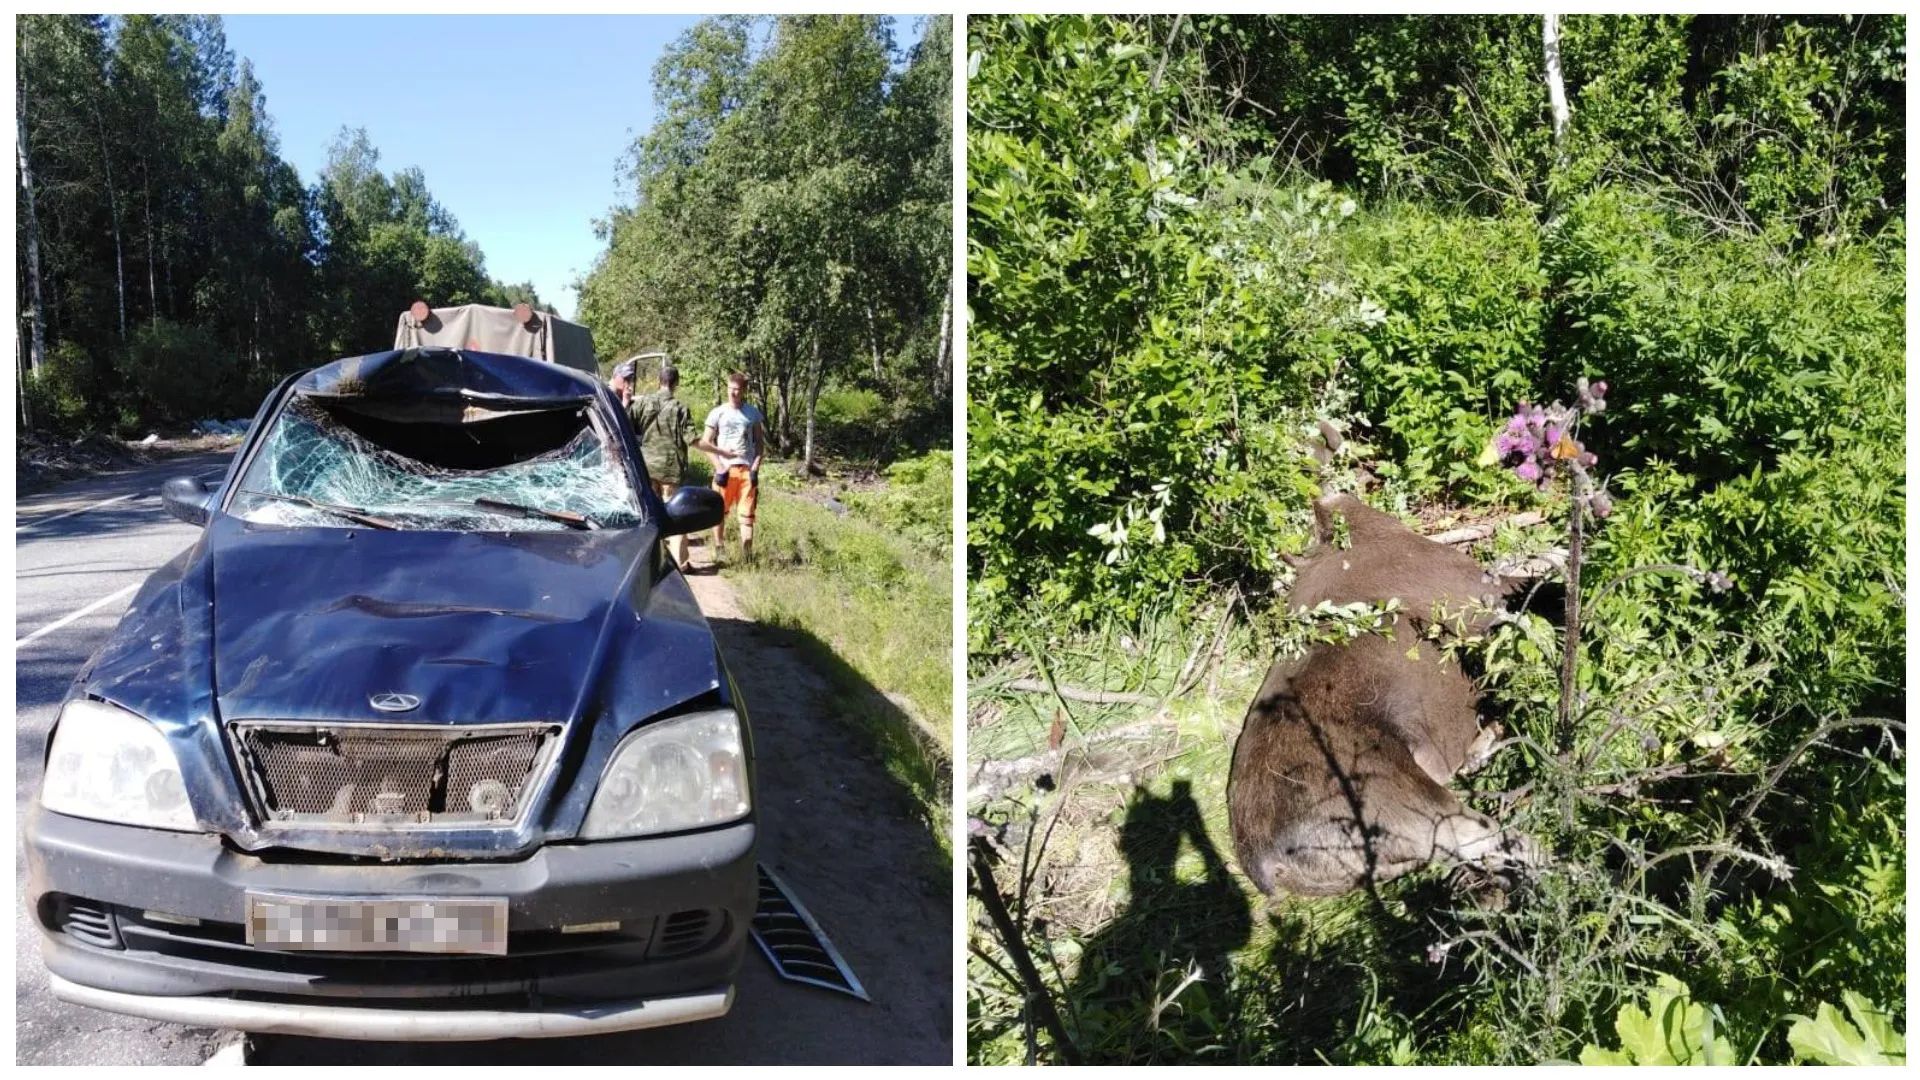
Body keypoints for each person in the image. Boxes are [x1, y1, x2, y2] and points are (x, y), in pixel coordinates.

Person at [627, 361, 705, 572]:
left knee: (650, 513)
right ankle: (681, 564)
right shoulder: (680, 408)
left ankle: (649, 560)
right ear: (675, 383)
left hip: (647, 466)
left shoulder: (642, 404)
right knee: (675, 514)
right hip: (671, 469)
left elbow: (627, 427)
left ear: (659, 381)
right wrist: (719, 451)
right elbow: (692, 439)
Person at [703, 371, 767, 565]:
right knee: (719, 512)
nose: (733, 393)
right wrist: (719, 466)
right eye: (731, 388)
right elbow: (706, 442)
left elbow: (760, 444)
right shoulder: (718, 412)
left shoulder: (752, 414)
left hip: (746, 470)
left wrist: (755, 468)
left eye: (737, 390)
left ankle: (747, 555)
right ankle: (719, 548)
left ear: (744, 391)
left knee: (747, 515)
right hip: (725, 469)